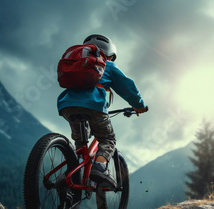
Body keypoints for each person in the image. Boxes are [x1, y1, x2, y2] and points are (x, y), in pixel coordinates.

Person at [57, 34, 147, 187]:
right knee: (107, 139)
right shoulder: (108, 65)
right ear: (110, 55)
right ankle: (99, 168)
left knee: (80, 145)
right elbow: (127, 87)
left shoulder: (78, 63)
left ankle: (69, 175)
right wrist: (139, 105)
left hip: (67, 106)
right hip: (94, 107)